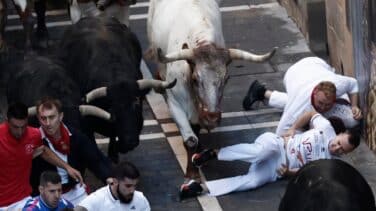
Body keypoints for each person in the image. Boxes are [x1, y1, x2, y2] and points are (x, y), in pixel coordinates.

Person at [179, 111, 360, 199]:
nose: (337, 148)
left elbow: (307, 172)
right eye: (338, 143)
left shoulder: (332, 163)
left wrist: (289, 172)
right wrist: (293, 128)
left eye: (342, 150)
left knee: (253, 181)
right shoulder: (325, 128)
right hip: (277, 144)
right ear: (339, 134)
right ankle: (214, 153)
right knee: (259, 151)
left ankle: (201, 188)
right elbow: (310, 113)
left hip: (280, 167)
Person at [242, 57, 363, 135]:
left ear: (335, 95)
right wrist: (306, 132)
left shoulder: (337, 83)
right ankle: (262, 93)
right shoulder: (299, 106)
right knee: (297, 107)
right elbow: (281, 133)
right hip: (294, 74)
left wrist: (354, 106)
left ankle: (263, 93)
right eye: (320, 103)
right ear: (315, 93)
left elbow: (353, 83)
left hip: (316, 63)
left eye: (328, 104)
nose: (323, 108)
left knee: (353, 121)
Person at [0, 102, 83, 211]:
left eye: (23, 126)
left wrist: (67, 167)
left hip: (23, 200)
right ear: (7, 121)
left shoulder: (34, 135)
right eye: (15, 127)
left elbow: (43, 150)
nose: (20, 132)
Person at [30, 97, 113, 206]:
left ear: (61, 116)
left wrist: (108, 177)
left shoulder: (76, 136)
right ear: (38, 119)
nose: (48, 123)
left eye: (52, 117)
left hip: (74, 191)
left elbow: (94, 159)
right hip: (44, 195)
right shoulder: (31, 140)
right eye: (43, 118)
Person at [74, 161, 150, 211]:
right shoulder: (97, 199)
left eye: (135, 185)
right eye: (128, 186)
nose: (132, 190)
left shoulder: (140, 199)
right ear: (115, 182)